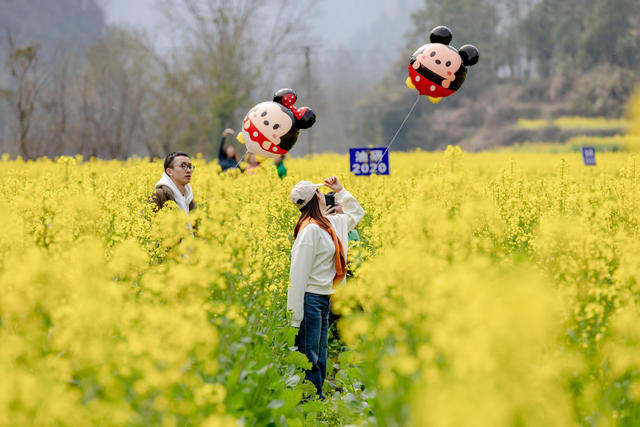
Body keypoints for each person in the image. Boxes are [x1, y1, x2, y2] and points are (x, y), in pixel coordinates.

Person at [287, 177, 365, 399]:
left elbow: (357, 214)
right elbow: (297, 274)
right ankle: (311, 398)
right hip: (311, 299)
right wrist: (295, 315)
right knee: (310, 353)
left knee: (320, 352)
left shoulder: (331, 224)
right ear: (316, 198)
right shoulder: (310, 230)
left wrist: (341, 191)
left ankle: (317, 396)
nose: (324, 195)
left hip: (327, 297)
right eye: (320, 193)